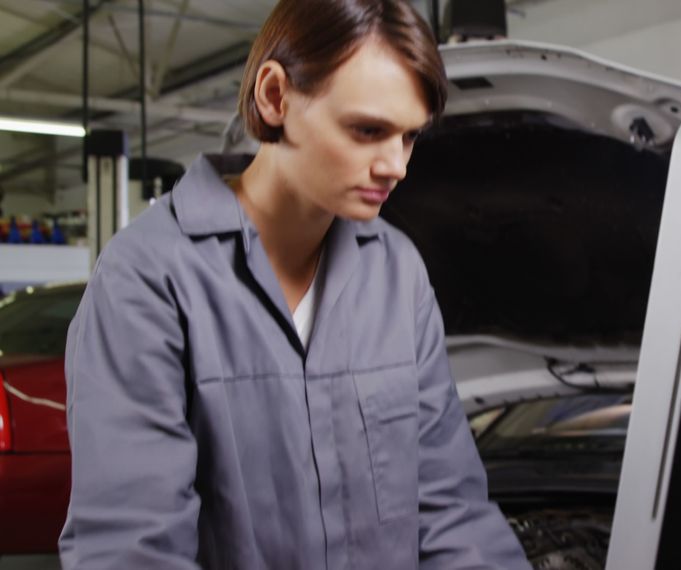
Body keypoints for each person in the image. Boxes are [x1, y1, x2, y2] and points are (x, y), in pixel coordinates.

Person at [60, 1, 530, 568]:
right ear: (275, 97)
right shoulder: (148, 281)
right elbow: (132, 551)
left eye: (408, 138)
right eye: (367, 130)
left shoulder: (396, 274)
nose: (396, 166)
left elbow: (451, 512)